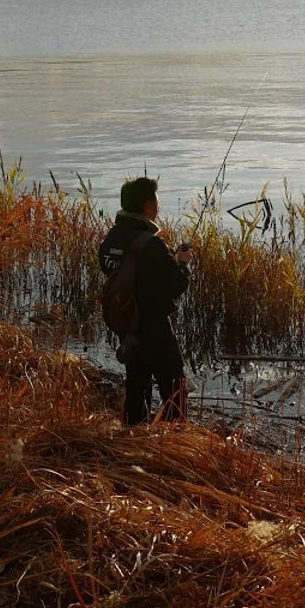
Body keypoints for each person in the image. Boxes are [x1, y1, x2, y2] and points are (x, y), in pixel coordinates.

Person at [98, 176, 192, 424]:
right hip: (154, 326)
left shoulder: (111, 239)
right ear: (148, 205)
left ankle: (133, 431)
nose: (158, 205)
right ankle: (175, 437)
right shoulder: (152, 244)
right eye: (156, 201)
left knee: (137, 381)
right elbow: (176, 285)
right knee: (174, 385)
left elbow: (112, 268)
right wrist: (183, 264)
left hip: (126, 324)